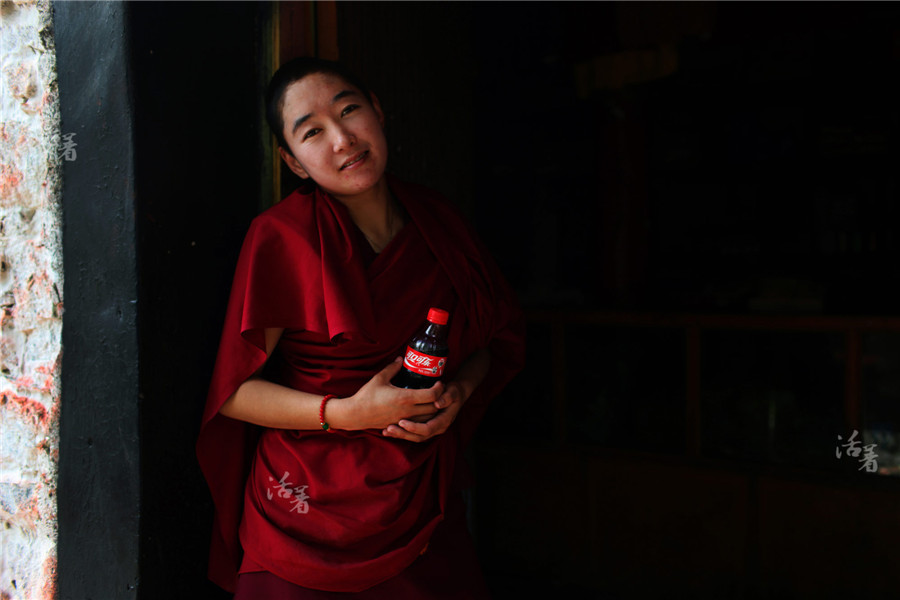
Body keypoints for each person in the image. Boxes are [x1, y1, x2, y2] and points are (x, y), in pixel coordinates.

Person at [196, 57, 526, 598]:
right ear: (293, 162)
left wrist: (457, 397)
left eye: (350, 110)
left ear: (378, 109)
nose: (343, 138)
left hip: (417, 503)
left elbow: (487, 343)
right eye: (313, 132)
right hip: (302, 510)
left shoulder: (438, 223)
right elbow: (232, 396)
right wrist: (348, 414)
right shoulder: (282, 237)